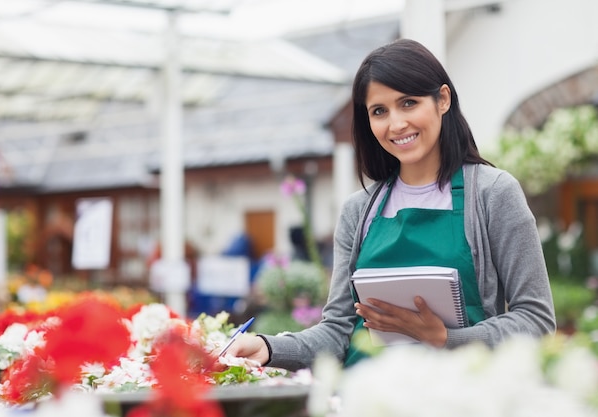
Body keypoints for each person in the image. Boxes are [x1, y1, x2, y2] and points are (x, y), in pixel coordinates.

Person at [221, 38, 556, 370]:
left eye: (408, 103)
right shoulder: (359, 210)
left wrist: (447, 339)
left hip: (458, 395)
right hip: (364, 396)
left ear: (442, 99)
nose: (396, 124)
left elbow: (536, 319)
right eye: (379, 111)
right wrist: (267, 346)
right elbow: (338, 331)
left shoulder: (492, 193)